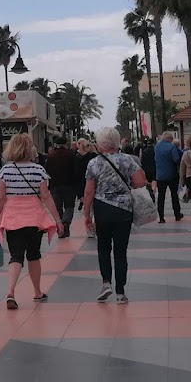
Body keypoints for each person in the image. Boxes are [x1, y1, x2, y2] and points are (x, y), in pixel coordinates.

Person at [0, 134, 62, 310]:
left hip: (12, 218)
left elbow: (0, 198)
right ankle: (37, 292)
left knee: (16, 256)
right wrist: (58, 220)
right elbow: (46, 196)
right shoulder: (38, 170)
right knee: (33, 255)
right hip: (34, 218)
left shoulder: (5, 171)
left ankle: (10, 292)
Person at [82, 127, 147, 303]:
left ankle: (106, 283)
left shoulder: (94, 163)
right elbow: (140, 182)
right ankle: (120, 292)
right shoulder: (128, 160)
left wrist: (86, 214)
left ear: (100, 142)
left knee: (103, 247)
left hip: (102, 209)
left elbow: (89, 191)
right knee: (120, 251)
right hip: (123, 210)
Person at [45, 135, 77, 237]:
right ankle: (66, 222)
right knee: (69, 206)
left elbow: (47, 171)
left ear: (56, 144)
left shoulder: (51, 156)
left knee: (58, 207)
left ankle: (60, 228)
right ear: (66, 144)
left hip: (55, 185)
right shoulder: (71, 155)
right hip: (69, 185)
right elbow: (76, 170)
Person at [154, 131, 184, 223]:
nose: (172, 141)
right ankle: (177, 215)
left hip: (160, 176)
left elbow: (155, 159)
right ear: (168, 138)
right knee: (174, 195)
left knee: (161, 196)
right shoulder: (172, 147)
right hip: (172, 175)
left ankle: (161, 217)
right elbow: (176, 160)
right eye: (171, 139)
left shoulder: (156, 147)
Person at [75, 139, 99, 238]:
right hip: (98, 187)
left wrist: (79, 193)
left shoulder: (80, 160)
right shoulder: (98, 158)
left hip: (85, 187)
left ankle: (90, 230)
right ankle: (96, 226)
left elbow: (78, 176)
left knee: (88, 209)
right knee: (96, 210)